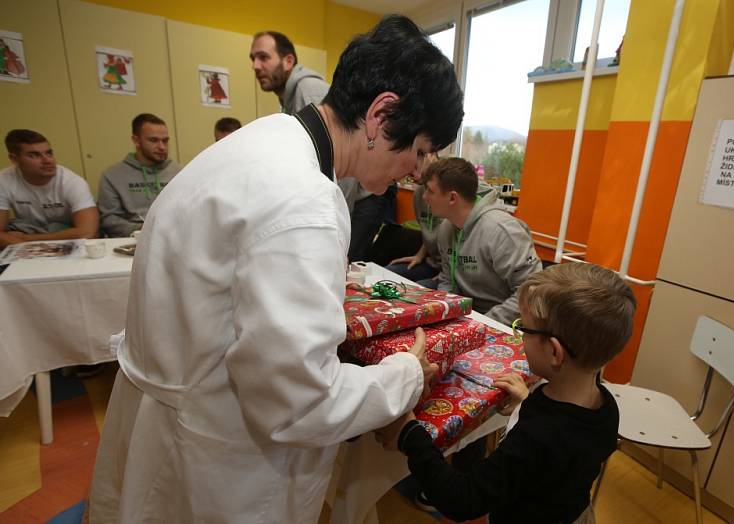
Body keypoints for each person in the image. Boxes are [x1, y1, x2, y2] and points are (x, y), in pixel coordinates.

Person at [89, 15, 464, 523]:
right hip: (216, 461)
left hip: (169, 413)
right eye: (419, 151)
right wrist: (403, 376)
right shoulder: (304, 200)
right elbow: (300, 402)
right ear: (381, 115)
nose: (417, 173)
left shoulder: (262, 139)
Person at [376, 262, 637, 523]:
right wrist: (527, 401)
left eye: (524, 328)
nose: (519, 335)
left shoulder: (537, 436)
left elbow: (462, 500)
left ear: (555, 353)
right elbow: (566, 452)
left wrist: (409, 433)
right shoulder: (604, 404)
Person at [249, 29, 393, 261]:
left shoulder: (309, 90)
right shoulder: (289, 97)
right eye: (253, 59)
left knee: (340, 265)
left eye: (264, 57)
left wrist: (334, 220)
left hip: (359, 197)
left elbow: (339, 158)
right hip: (348, 197)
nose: (256, 66)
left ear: (288, 61)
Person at [425, 157, 542, 325]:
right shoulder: (446, 227)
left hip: (502, 323)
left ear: (452, 198)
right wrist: (445, 312)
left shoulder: (502, 231)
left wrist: (484, 323)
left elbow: (531, 292)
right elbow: (447, 280)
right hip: (468, 316)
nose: (424, 197)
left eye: (430, 191)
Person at [0, 129, 98, 248]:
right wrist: (29, 246)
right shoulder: (4, 180)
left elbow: (87, 232)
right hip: (30, 234)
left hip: (67, 239)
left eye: (49, 153)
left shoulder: (72, 181)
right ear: (14, 159)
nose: (47, 160)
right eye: (34, 155)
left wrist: (29, 239)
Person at [97, 113, 181, 237]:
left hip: (174, 236)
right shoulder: (112, 176)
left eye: (165, 141)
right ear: (136, 140)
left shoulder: (180, 173)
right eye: (153, 140)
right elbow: (109, 220)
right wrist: (141, 229)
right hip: (132, 239)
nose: (162, 147)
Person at [386, 153, 442, 288]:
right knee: (388, 273)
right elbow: (429, 230)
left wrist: (451, 275)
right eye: (410, 172)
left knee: (415, 289)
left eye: (417, 168)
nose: (415, 176)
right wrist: (419, 255)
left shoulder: (448, 194)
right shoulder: (419, 195)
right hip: (431, 262)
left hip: (450, 270)